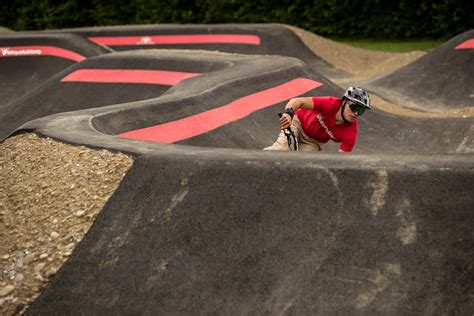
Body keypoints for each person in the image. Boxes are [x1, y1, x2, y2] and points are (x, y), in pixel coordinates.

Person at [264, 86, 371, 153]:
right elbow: (298, 101)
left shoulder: (350, 133)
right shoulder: (330, 103)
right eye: (354, 108)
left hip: (313, 142)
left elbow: (342, 162)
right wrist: (288, 114)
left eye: (361, 111)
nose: (356, 113)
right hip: (298, 123)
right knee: (280, 150)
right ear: (343, 102)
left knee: (305, 166)